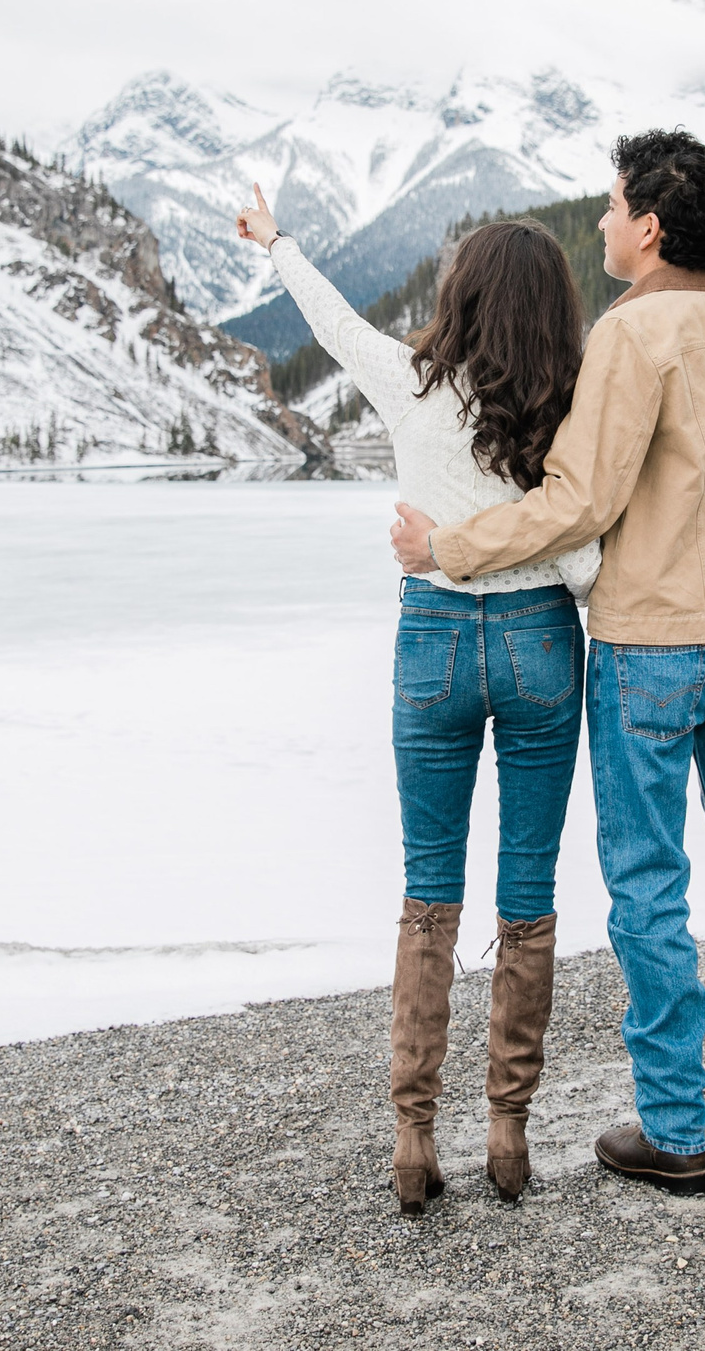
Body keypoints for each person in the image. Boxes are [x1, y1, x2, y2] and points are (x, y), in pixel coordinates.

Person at [389, 130, 705, 1197]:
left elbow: (578, 504)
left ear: (647, 225)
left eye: (607, 207)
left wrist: (447, 549)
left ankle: (677, 1132)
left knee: (648, 882)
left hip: (648, 648)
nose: (597, 224)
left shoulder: (633, 335)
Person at [233, 186, 599, 1217]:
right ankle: (509, 1133)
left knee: (427, 892)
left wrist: (279, 244)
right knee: (526, 898)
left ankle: (410, 1136)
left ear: (464, 295)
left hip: (432, 639)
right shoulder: (569, 400)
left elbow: (332, 324)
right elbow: (584, 540)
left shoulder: (409, 381)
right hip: (538, 643)